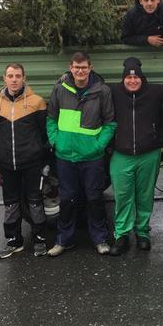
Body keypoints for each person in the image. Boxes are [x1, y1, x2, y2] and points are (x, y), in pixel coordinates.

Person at [46, 52, 116, 257]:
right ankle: (63, 240)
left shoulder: (102, 91)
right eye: (76, 67)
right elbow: (51, 119)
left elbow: (110, 123)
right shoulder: (60, 89)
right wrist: (56, 142)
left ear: (90, 67)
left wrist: (97, 146)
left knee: (94, 198)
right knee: (67, 199)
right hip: (65, 156)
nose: (80, 71)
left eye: (84, 67)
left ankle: (99, 239)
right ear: (70, 67)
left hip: (92, 157)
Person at [0, 63, 49, 258]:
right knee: (11, 203)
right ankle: (14, 241)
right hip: (7, 163)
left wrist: (43, 157)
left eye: (17, 76)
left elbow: (44, 134)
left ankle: (40, 239)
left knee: (35, 201)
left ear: (24, 78)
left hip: (32, 161)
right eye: (10, 76)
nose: (14, 79)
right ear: (4, 78)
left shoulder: (37, 102)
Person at [108, 57, 163, 256]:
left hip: (148, 153)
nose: (133, 81)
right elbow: (91, 82)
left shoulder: (156, 92)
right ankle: (121, 234)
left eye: (136, 78)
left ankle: (142, 232)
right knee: (122, 196)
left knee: (144, 195)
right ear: (123, 79)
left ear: (142, 78)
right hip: (121, 154)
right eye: (128, 78)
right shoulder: (113, 92)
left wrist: (159, 137)